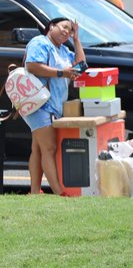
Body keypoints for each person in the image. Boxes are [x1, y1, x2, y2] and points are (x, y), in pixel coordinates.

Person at [22, 17, 86, 195]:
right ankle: (59, 193)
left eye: (70, 30)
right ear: (51, 26)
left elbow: (81, 67)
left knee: (38, 148)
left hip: (53, 107)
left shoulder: (64, 50)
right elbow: (32, 66)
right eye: (64, 27)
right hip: (39, 104)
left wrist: (77, 40)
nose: (67, 32)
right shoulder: (40, 42)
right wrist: (61, 72)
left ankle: (34, 192)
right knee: (49, 148)